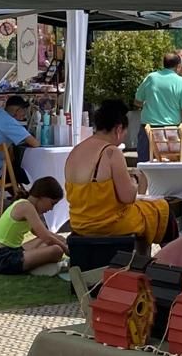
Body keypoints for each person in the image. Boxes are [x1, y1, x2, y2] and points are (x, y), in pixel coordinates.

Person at [64, 99, 171, 246]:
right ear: (118, 129)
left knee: (147, 210)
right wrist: (134, 181)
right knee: (162, 209)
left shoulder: (75, 151)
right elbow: (128, 197)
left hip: (79, 223)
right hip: (106, 224)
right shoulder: (111, 152)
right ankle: (166, 261)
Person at [0, 177, 67, 275]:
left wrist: (62, 240)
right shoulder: (26, 207)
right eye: (52, 203)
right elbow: (47, 238)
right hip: (2, 258)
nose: (51, 209)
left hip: (9, 252)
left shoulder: (26, 205)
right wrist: (66, 249)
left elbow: (42, 235)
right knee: (57, 250)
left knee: (57, 240)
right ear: (42, 196)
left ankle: (35, 265)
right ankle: (36, 268)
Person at [133, 51, 182, 162]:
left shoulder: (151, 78)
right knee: (172, 166)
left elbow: (137, 101)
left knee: (144, 166)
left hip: (148, 129)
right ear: (179, 66)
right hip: (171, 131)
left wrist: (150, 105)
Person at [0, 94, 38, 184]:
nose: (24, 115)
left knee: (13, 162)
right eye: (24, 111)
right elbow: (35, 143)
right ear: (18, 110)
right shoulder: (8, 120)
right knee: (26, 173)